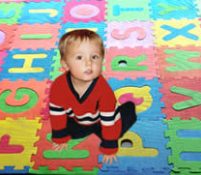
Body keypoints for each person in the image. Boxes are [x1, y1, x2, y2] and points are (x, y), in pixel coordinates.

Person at [49, 29, 136, 164]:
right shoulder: (58, 86)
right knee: (70, 132)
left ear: (102, 61)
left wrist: (109, 147)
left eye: (94, 57)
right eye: (79, 57)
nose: (89, 63)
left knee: (117, 129)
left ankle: (128, 109)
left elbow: (109, 121)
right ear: (65, 64)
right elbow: (57, 113)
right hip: (79, 121)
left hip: (103, 122)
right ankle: (84, 129)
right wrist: (60, 137)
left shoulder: (104, 91)